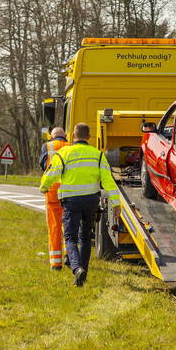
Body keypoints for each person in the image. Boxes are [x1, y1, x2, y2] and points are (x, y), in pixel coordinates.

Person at [39, 123, 121, 287]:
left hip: (71, 201)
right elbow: (108, 181)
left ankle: (77, 269)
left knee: (70, 237)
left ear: (73, 137)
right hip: (91, 201)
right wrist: (116, 203)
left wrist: (44, 187)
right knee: (85, 237)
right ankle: (83, 272)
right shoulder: (97, 155)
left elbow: (51, 174)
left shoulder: (65, 153)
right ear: (88, 137)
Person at [39, 127, 69, 270]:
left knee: (55, 226)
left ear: (51, 137)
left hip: (52, 192)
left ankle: (56, 263)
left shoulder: (47, 146)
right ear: (65, 136)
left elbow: (44, 166)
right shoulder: (72, 146)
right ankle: (70, 255)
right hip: (70, 192)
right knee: (70, 225)